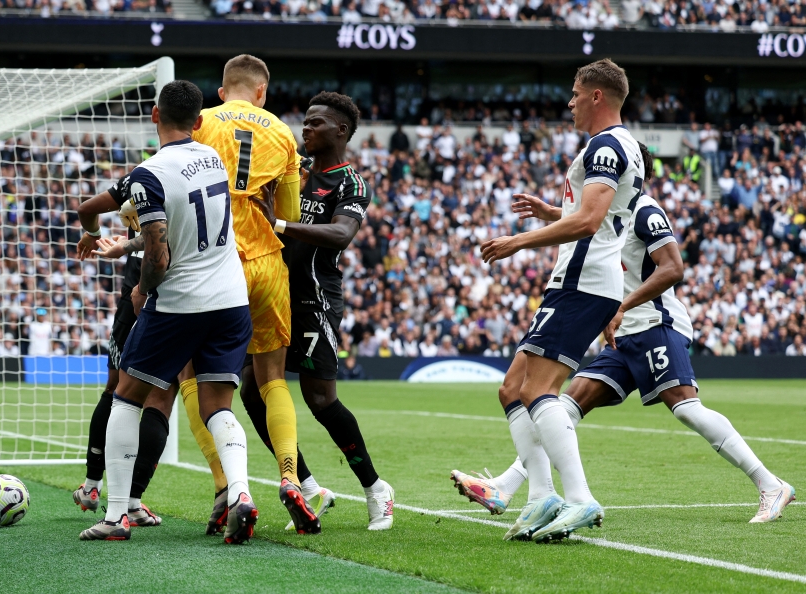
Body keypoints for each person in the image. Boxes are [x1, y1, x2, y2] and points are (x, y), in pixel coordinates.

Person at [452, 144, 796, 526]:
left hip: (655, 324)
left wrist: (622, 306)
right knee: (564, 405)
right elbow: (588, 228)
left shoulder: (646, 210)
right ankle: (509, 486)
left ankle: (770, 484)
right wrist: (551, 213)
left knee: (685, 407)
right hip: (624, 335)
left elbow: (673, 267)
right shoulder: (612, 213)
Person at [78, 80, 256, 544]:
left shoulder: (147, 174)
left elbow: (159, 255)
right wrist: (128, 247)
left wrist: (141, 289)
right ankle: (239, 493)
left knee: (126, 395)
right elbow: (181, 229)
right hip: (232, 299)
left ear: (154, 116)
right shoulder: (214, 158)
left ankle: (116, 516)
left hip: (181, 303)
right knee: (218, 405)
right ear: (199, 121)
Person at [478, 59, 643, 543]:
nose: (568, 102)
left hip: (583, 282)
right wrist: (556, 212)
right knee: (512, 388)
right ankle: (539, 498)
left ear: (596, 96)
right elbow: (602, 215)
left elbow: (590, 222)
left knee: (537, 390)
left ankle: (579, 498)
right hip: (581, 281)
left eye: (575, 93)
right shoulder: (627, 145)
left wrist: (519, 241)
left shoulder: (606, 145)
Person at [246, 92, 395, 531]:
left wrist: (280, 224)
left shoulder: (350, 182)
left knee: (320, 399)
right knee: (254, 393)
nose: (305, 129)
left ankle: (376, 489)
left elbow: (341, 234)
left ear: (341, 131)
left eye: (315, 123)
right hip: (272, 293)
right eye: (304, 122)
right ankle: (310, 489)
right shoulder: (294, 173)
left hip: (314, 297)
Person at [189, 55, 321, 534]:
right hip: (266, 264)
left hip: (211, 262)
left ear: (223, 90)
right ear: (262, 92)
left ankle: (225, 482)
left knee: (194, 373)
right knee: (271, 378)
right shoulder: (283, 134)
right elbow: (286, 214)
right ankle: (291, 478)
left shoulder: (201, 122)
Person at [71, 177, 178, 528]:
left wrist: (103, 237)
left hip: (129, 298)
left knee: (116, 390)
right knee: (158, 398)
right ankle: (131, 502)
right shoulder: (189, 181)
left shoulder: (142, 181)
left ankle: (91, 486)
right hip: (168, 299)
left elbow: (89, 210)